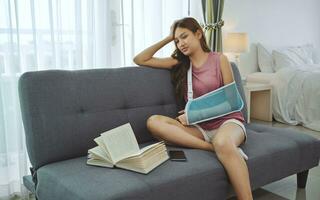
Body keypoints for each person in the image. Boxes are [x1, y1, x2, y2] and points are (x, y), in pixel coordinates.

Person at [133, 17, 253, 200]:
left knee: (222, 141)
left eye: (184, 37)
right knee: (153, 122)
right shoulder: (181, 63)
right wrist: (168, 37)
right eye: (177, 41)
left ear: (198, 34)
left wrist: (194, 114)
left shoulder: (220, 59)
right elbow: (140, 59)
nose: (180, 43)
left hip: (228, 122)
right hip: (200, 128)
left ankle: (223, 149)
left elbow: (232, 102)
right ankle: (213, 148)